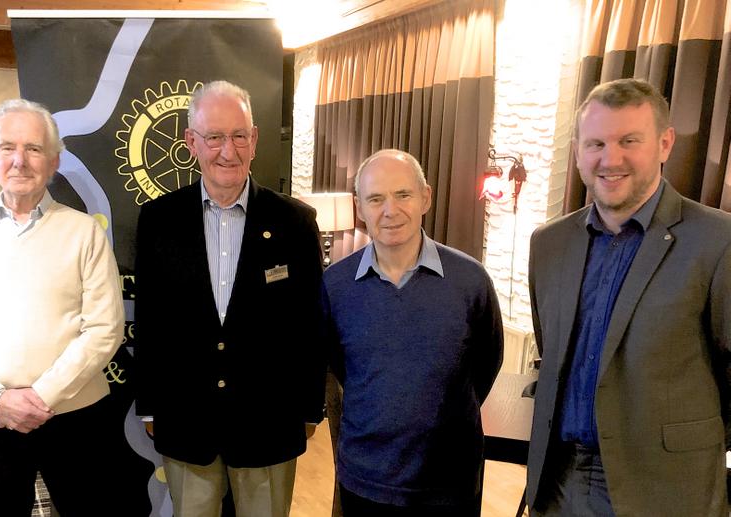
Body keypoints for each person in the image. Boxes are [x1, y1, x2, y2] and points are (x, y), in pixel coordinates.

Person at [527, 78, 731, 516]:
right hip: (559, 479)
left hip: (664, 488)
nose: (610, 158)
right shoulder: (548, 243)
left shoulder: (719, 241)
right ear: (578, 149)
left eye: (628, 141)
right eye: (596, 143)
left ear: (664, 143)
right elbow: (552, 351)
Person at [134, 80, 325, 517]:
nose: (227, 150)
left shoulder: (295, 222)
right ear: (191, 143)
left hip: (269, 420)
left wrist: (311, 407)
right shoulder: (158, 221)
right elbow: (150, 319)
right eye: (214, 137)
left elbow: (310, 323)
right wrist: (149, 403)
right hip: (186, 416)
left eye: (239, 136)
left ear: (254, 140)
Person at [0, 99, 130, 516]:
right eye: (8, 147)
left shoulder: (84, 233)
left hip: (76, 414)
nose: (20, 160)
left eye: (34, 149)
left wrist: (41, 396)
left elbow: (105, 329)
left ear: (54, 161)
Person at [322, 149, 504, 516]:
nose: (390, 211)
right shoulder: (334, 287)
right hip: (365, 480)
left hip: (449, 482)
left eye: (403, 194)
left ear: (426, 197)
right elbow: (343, 368)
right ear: (360, 208)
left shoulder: (471, 281)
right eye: (376, 199)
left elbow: (486, 365)